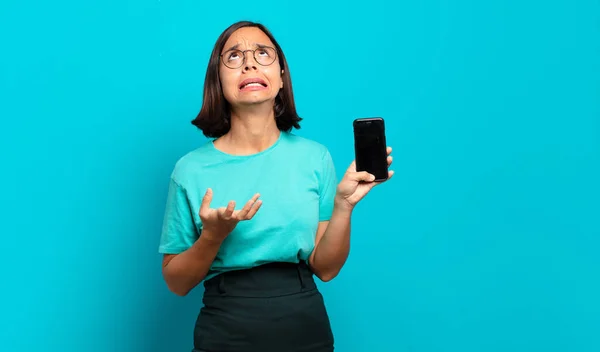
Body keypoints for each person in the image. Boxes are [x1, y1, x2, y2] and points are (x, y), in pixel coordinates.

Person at [158, 20, 393, 352]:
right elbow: (177, 283)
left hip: (304, 324)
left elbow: (325, 269)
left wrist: (343, 206)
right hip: (225, 327)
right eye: (235, 56)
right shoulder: (190, 169)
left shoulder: (315, 157)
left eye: (263, 53)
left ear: (282, 76)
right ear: (218, 80)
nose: (250, 62)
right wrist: (213, 236)